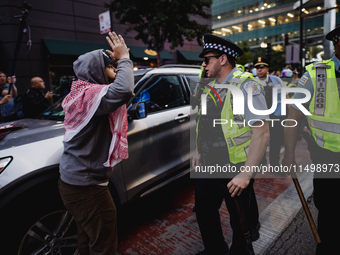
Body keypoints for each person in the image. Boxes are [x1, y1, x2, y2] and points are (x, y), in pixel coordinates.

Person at [192, 34, 270, 255]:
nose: (203, 65)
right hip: (208, 164)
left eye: (207, 60)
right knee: (204, 212)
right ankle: (215, 249)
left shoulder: (247, 87)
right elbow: (204, 123)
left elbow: (262, 134)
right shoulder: (208, 86)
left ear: (223, 59)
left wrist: (245, 174)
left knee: (240, 222)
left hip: (234, 166)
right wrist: (199, 151)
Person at [58, 31, 133, 255]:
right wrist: (125, 58)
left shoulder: (82, 95)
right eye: (111, 67)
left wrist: (121, 62)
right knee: (103, 244)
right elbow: (125, 89)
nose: (116, 70)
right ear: (97, 71)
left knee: (87, 238)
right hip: (86, 188)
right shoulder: (92, 96)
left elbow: (123, 88)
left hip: (75, 183)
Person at [282, 26, 340, 255]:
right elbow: (294, 115)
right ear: (337, 44)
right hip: (328, 157)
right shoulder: (316, 74)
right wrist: (288, 154)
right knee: (329, 212)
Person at [254, 57, 287, 166]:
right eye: (257, 67)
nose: (259, 70)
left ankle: (274, 164)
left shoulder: (276, 80)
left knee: (276, 140)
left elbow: (285, 96)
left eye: (262, 67)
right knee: (259, 139)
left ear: (267, 68)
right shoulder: (252, 82)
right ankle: (261, 162)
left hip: (275, 115)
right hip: (259, 116)